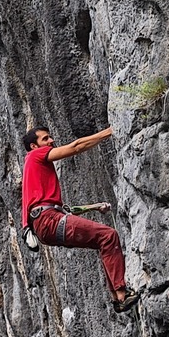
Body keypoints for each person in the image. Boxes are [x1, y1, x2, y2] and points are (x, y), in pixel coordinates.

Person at [21, 125, 139, 313]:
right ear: (34, 146)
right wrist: (110, 131)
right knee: (108, 236)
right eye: (45, 139)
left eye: (50, 137)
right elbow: (76, 147)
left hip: (47, 223)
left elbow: (64, 211)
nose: (51, 141)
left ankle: (117, 297)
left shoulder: (35, 171)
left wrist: (94, 207)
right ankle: (122, 294)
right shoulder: (35, 156)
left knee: (103, 242)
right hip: (48, 219)